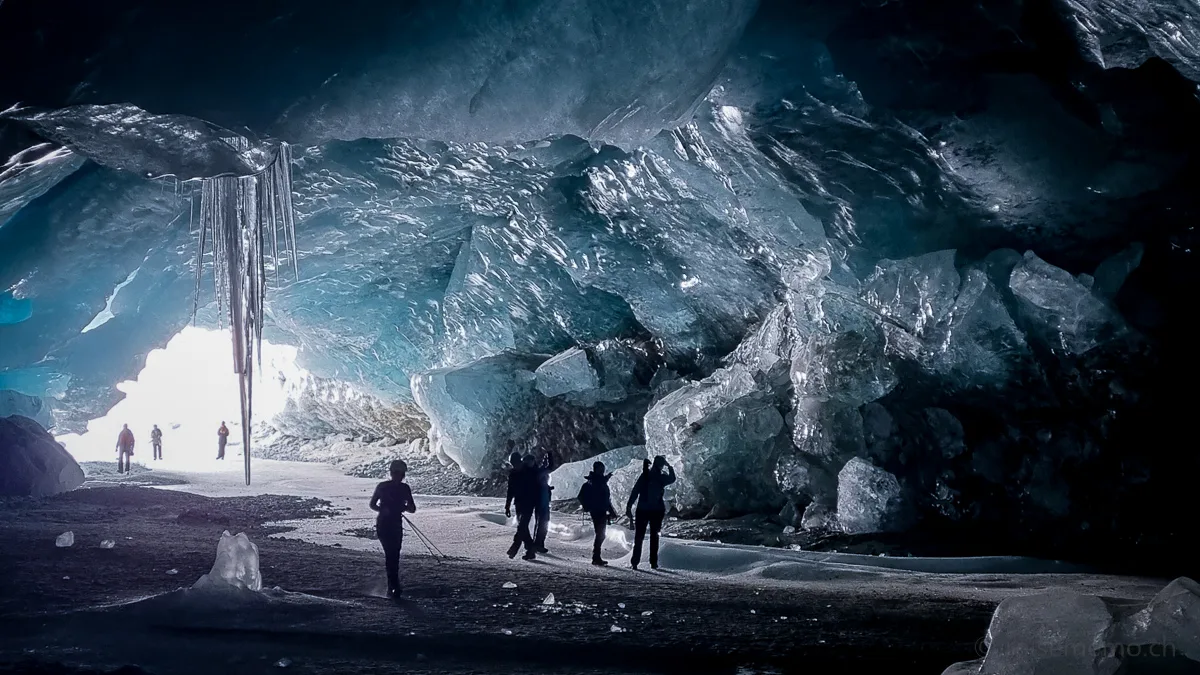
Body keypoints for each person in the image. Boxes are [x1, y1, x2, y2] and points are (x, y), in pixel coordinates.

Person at [369, 460, 417, 599]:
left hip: (393, 524)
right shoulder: (398, 488)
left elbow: (412, 508)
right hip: (385, 524)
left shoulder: (389, 487)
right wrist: (388, 511)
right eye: (397, 473)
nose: (398, 476)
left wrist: (397, 509)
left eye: (400, 474)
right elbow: (372, 505)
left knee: (393, 555)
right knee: (392, 555)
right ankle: (393, 587)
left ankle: (393, 587)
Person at [625, 455, 676, 570]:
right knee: (654, 537)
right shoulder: (660, 477)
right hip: (656, 511)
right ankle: (653, 563)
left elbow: (635, 491)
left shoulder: (645, 475)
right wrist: (670, 467)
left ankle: (635, 562)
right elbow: (672, 479)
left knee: (639, 536)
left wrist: (629, 506)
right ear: (661, 465)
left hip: (642, 509)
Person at [577, 461, 619, 566]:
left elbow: (606, 498)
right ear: (596, 469)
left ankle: (596, 556)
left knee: (601, 534)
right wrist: (588, 507)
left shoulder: (598, 481)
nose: (602, 471)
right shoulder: (592, 483)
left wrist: (611, 511)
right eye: (601, 469)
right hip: (597, 511)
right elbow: (581, 496)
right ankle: (596, 557)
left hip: (601, 510)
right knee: (600, 534)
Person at [504, 450, 537, 561]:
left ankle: (515, 548)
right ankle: (530, 549)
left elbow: (534, 487)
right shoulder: (513, 474)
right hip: (519, 504)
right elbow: (510, 491)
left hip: (528, 503)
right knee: (523, 527)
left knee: (522, 526)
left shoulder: (529, 472)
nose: (514, 465)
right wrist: (507, 506)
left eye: (515, 462)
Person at [532, 448, 559, 554]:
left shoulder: (537, 473)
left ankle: (538, 544)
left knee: (541, 524)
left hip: (541, 501)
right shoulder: (539, 473)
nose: (544, 463)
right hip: (541, 502)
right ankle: (538, 544)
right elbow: (550, 467)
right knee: (542, 524)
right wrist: (549, 455)